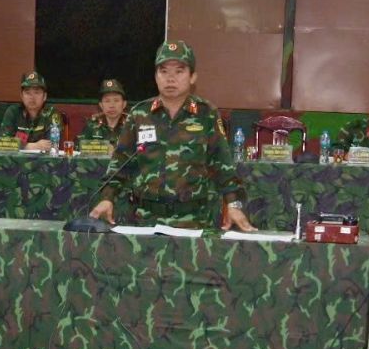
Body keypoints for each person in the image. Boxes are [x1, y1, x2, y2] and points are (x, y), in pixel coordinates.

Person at [90, 41, 255, 231]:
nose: (170, 78)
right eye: (164, 71)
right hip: (145, 219)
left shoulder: (206, 114)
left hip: (194, 221)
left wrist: (234, 205)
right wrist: (107, 198)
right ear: (155, 77)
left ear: (192, 77)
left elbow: (223, 165)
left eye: (179, 71)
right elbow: (120, 163)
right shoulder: (140, 114)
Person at [0, 72, 66, 151]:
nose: (32, 97)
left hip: (43, 158)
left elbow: (53, 145)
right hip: (16, 158)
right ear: (22, 96)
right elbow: (2, 143)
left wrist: (17, 144)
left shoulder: (52, 113)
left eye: (37, 93)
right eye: (27, 93)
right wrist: (31, 146)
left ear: (44, 96)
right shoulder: (13, 112)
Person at [79, 79, 129, 147]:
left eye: (116, 100)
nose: (112, 105)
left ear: (124, 104)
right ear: (101, 105)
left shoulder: (131, 126)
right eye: (107, 101)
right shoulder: (92, 125)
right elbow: (79, 147)